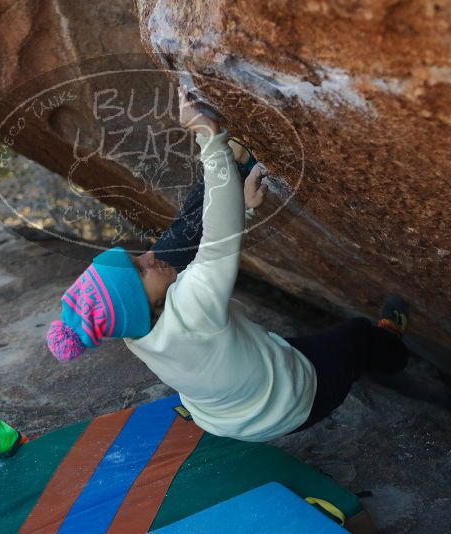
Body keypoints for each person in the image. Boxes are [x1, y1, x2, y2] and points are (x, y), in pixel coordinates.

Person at [46, 86, 409, 441]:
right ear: (143, 304)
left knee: (276, 339)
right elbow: (219, 236)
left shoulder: (133, 330)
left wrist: (243, 209)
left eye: (136, 256)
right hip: (293, 405)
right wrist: (208, 137)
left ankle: (233, 166)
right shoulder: (190, 309)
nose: (149, 256)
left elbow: (216, 244)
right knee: (355, 337)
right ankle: (393, 348)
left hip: (226, 419)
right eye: (140, 269)